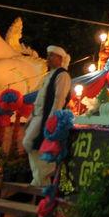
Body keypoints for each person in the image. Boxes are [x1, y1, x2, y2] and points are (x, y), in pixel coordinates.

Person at [22, 45, 71, 188]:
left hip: (48, 117)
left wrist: (52, 120)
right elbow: (39, 99)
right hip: (38, 116)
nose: (48, 58)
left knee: (35, 144)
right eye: (48, 55)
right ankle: (39, 178)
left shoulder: (63, 75)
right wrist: (31, 118)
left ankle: (42, 179)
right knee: (30, 144)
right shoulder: (49, 75)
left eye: (51, 55)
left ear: (60, 59)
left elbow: (59, 99)